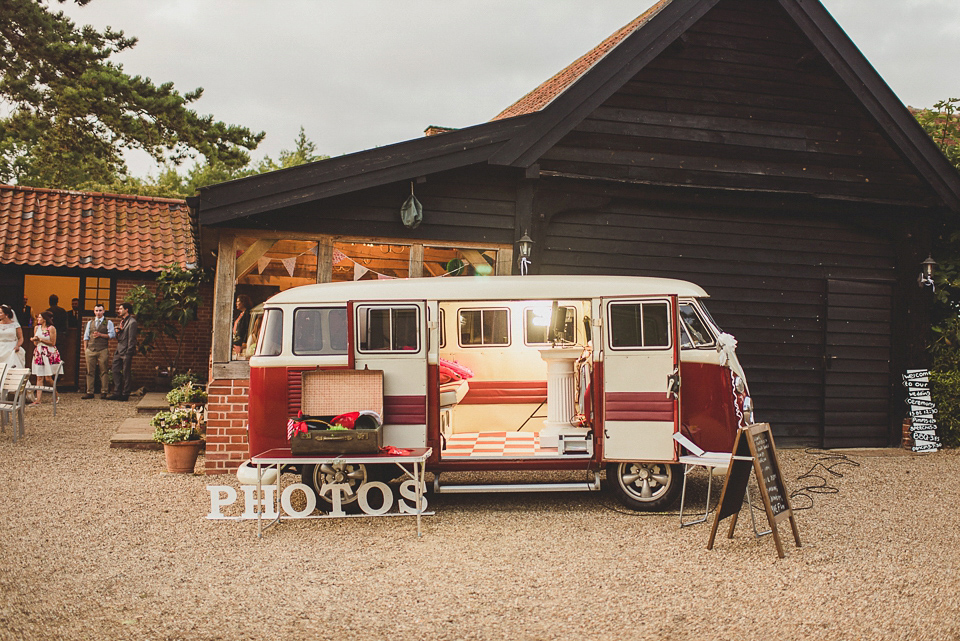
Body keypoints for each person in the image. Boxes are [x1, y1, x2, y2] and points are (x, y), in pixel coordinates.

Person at [82, 304, 115, 399]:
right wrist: (85, 349)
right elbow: (86, 337)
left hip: (102, 349)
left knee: (104, 371)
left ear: (104, 311)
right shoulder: (90, 323)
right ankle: (90, 392)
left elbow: (112, 335)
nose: (98, 313)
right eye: (96, 311)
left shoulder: (108, 322)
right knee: (90, 371)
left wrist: (101, 334)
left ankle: (104, 391)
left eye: (100, 310)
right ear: (94, 311)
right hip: (90, 349)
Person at [30, 311, 63, 405]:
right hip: (39, 352)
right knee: (39, 377)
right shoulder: (37, 328)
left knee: (48, 378)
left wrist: (41, 340)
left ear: (44, 319)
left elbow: (53, 342)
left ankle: (56, 394)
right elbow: (35, 343)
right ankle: (38, 399)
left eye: (39, 317)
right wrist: (34, 340)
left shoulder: (51, 328)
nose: (38, 319)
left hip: (48, 352)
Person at [108, 302, 138, 401]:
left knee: (126, 373)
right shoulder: (122, 321)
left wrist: (129, 352)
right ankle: (117, 392)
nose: (119, 310)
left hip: (126, 351)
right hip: (118, 350)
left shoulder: (132, 322)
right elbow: (121, 337)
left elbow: (132, 339)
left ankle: (125, 393)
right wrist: (118, 332)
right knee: (115, 370)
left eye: (121, 309)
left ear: (126, 310)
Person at [0, 304, 25, 368]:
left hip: (11, 347)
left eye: (0, 313)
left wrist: (17, 345)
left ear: (6, 314)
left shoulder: (15, 325)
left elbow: (20, 338)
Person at [232, 294, 252, 359]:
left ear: (243, 302)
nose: (236, 303)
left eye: (238, 301)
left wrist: (244, 341)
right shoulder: (240, 314)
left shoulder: (247, 314)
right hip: (236, 340)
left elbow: (247, 328)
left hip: (240, 342)